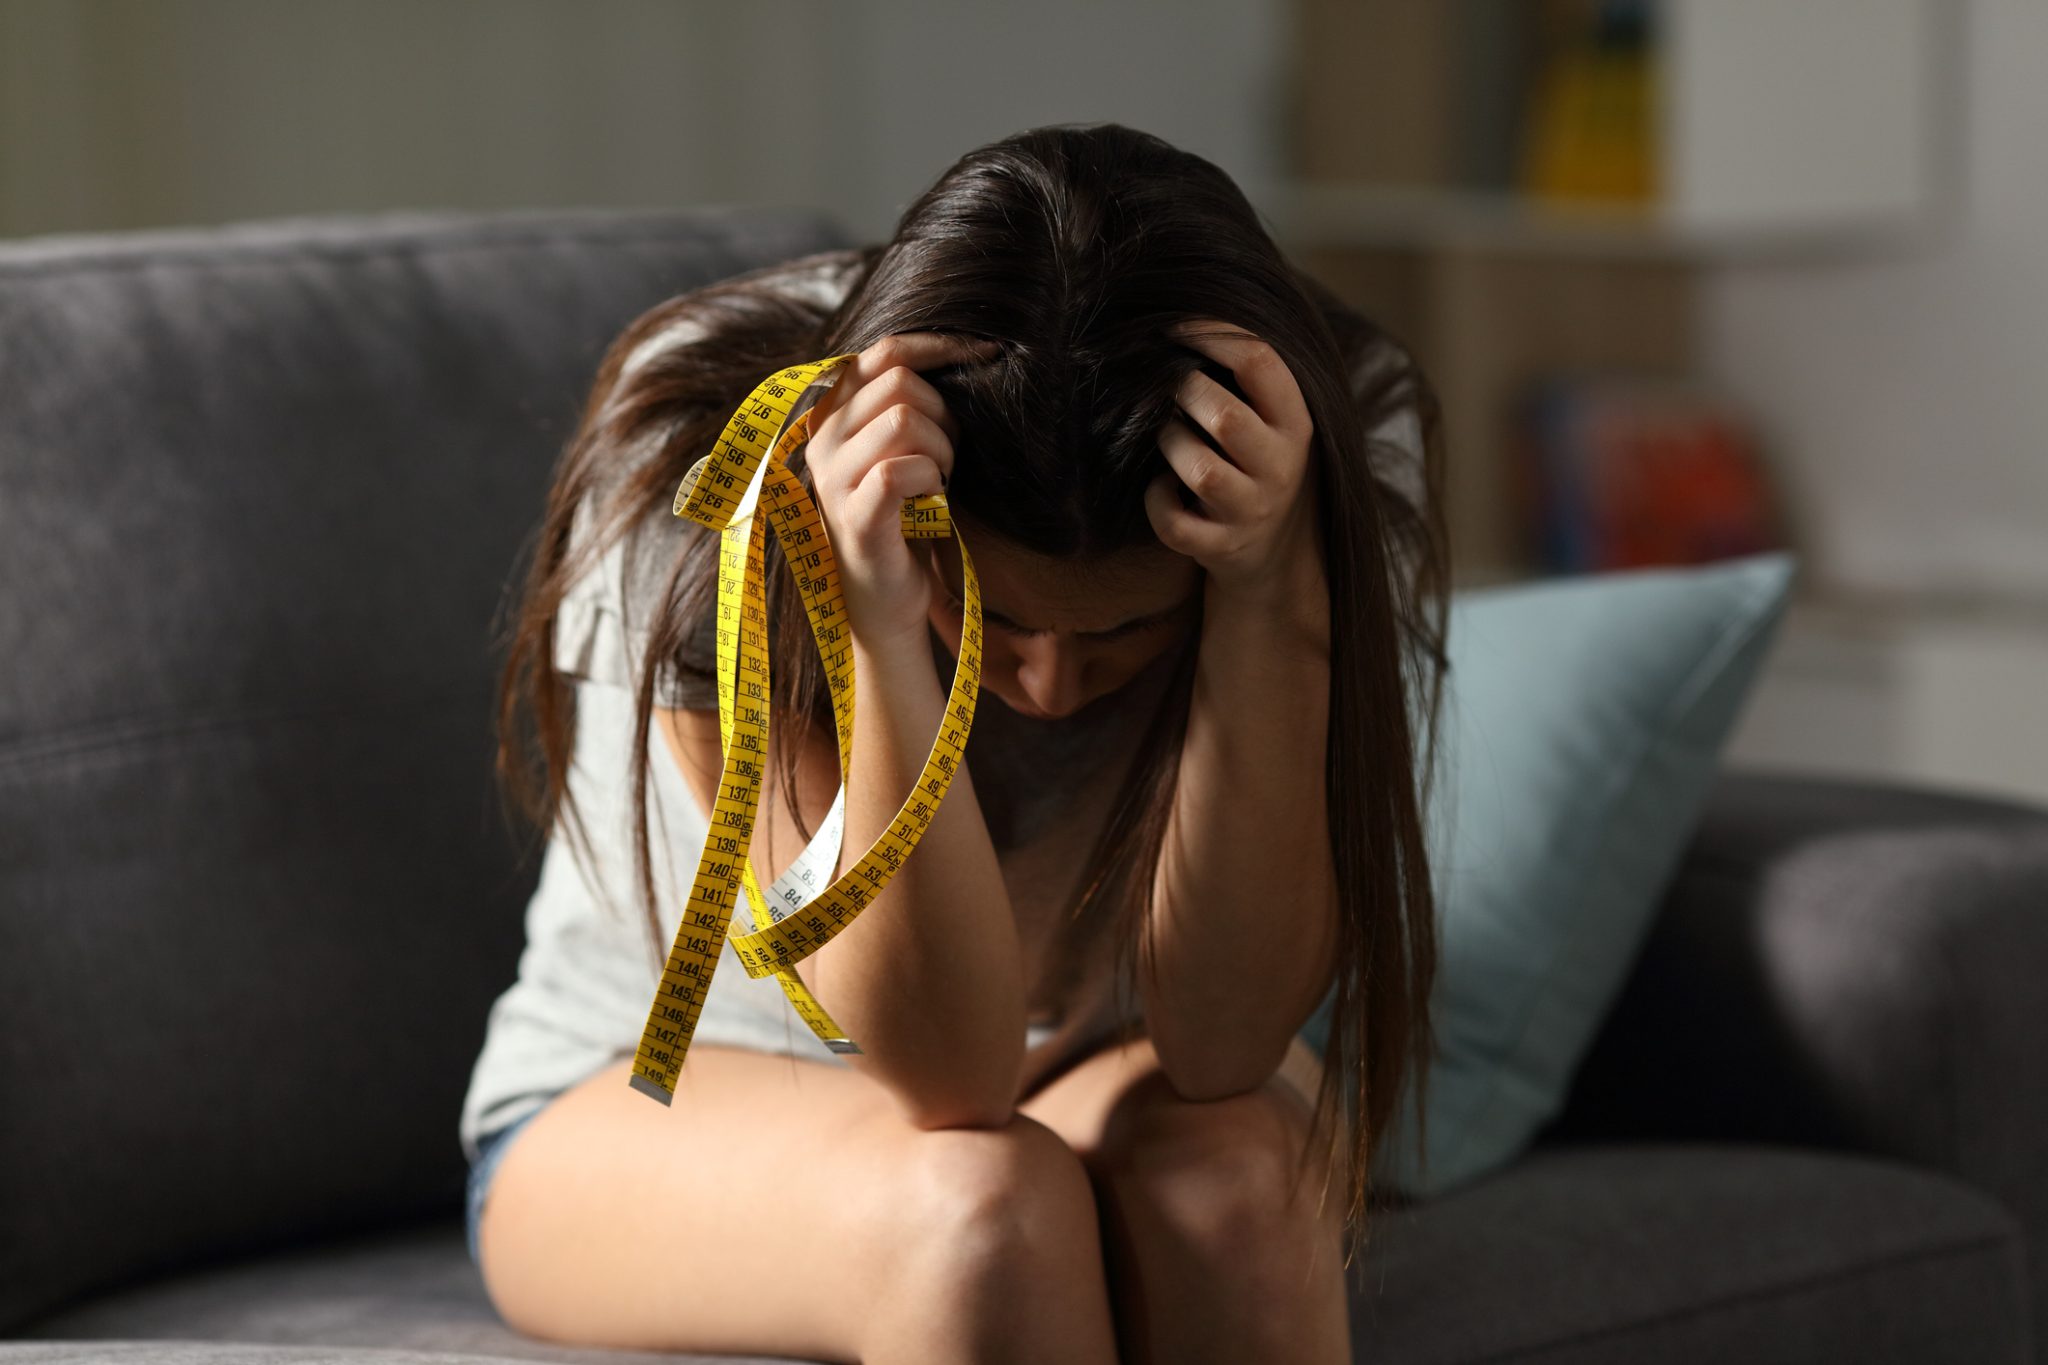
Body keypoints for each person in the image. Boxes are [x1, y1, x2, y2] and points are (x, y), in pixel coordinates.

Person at [460, 121, 1450, 1365]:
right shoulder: (706, 439)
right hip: (659, 1093)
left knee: (1238, 1194)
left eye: (1126, 633)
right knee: (982, 1218)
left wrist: (1267, 595)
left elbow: (1220, 1045)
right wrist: (872, 621)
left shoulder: (1319, 444)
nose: (1045, 684)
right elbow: (950, 1081)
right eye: (997, 620)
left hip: (1101, 1060)